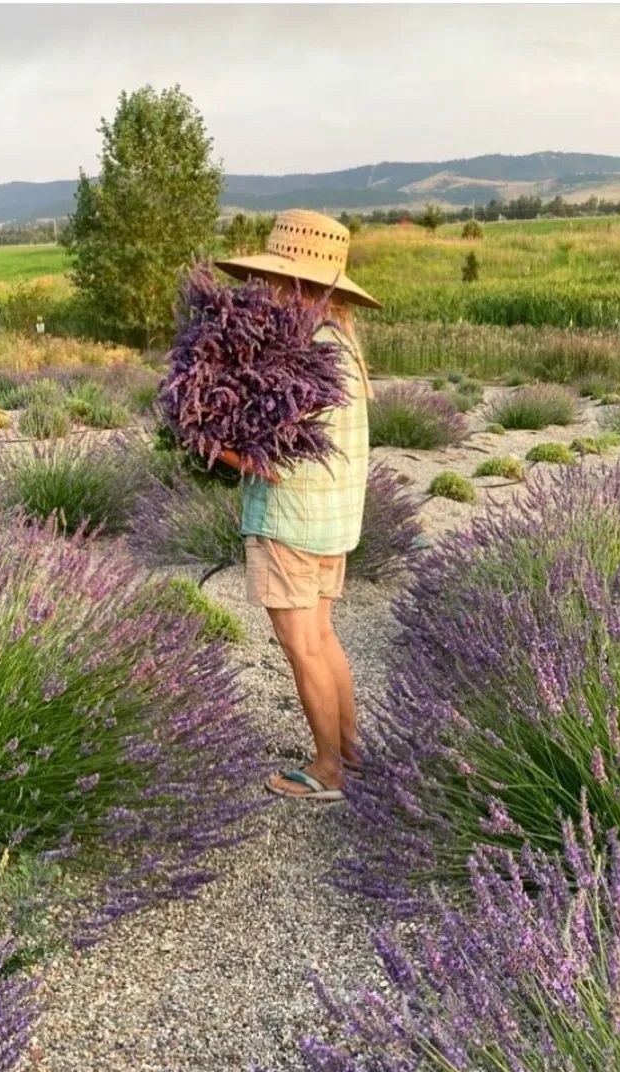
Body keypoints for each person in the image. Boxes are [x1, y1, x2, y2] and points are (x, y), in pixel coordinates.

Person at [214, 209, 382, 801]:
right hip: (333, 522)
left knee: (302, 646)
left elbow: (272, 461)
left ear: (295, 284)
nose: (262, 291)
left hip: (289, 522)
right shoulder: (342, 344)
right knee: (323, 637)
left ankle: (328, 770)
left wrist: (212, 445)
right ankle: (352, 751)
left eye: (272, 280)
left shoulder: (305, 353)